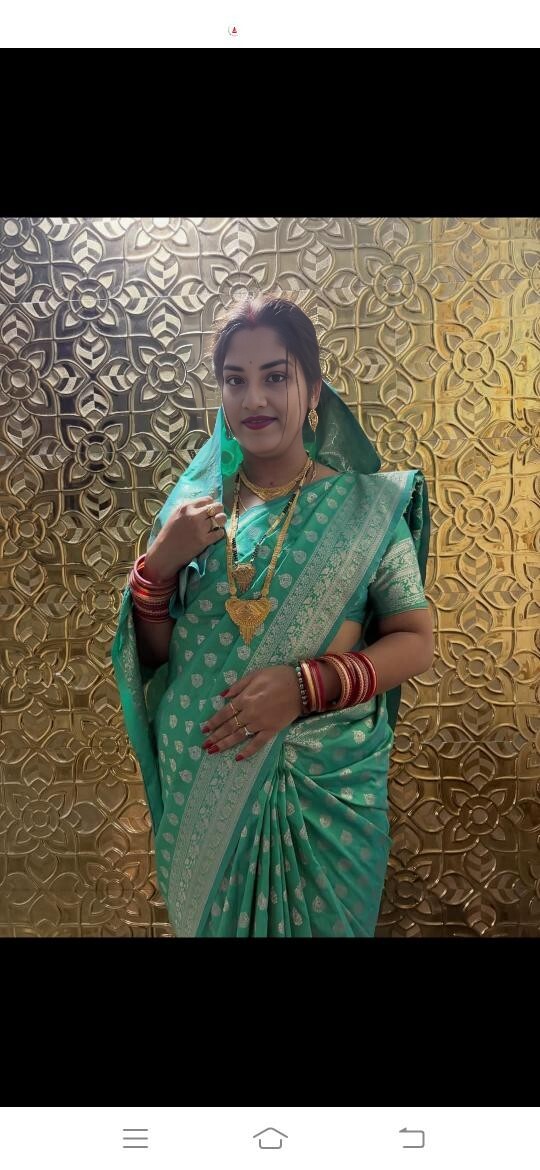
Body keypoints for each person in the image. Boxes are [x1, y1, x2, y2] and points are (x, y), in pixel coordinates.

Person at [111, 294, 433, 937]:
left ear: (313, 389)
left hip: (324, 793)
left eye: (275, 377)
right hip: (201, 795)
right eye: (235, 380)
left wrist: (305, 686)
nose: (254, 398)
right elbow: (156, 657)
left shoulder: (366, 508)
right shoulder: (191, 514)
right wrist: (159, 568)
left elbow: (415, 639)